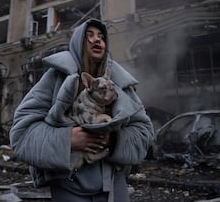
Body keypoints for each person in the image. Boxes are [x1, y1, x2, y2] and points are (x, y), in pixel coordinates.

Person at [9, 18, 154, 202]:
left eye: (101, 36)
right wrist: (68, 140)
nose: (97, 40)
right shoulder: (56, 77)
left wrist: (114, 140)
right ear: (78, 42)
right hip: (68, 188)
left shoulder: (119, 83)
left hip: (114, 187)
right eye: (89, 36)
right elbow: (22, 133)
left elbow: (144, 132)